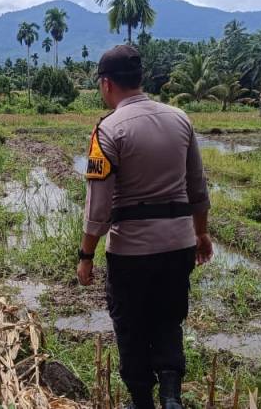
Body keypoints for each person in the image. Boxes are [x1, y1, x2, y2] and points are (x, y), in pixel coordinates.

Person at [76, 45, 213, 409]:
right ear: (139, 80)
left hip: (131, 253)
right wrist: (201, 233)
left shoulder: (107, 130)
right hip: (179, 243)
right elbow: (198, 187)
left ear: (106, 85)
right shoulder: (180, 119)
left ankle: (141, 400)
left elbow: (98, 209)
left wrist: (86, 255)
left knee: (132, 327)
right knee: (168, 320)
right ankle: (171, 396)